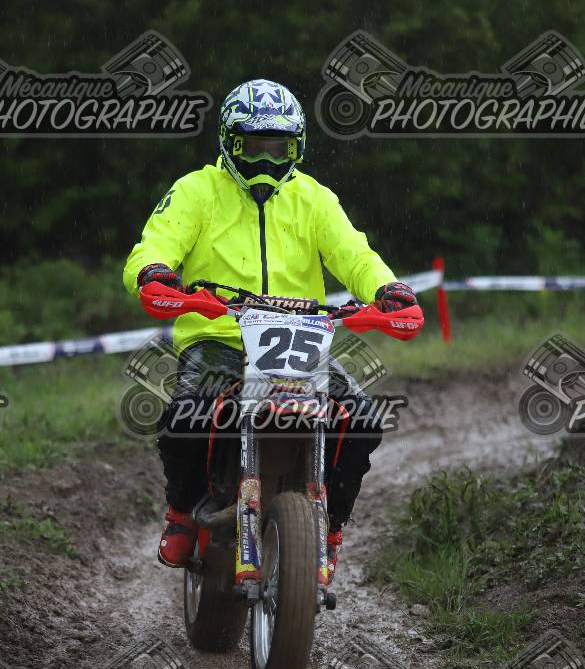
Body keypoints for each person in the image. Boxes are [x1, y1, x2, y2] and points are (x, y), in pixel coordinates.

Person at [123, 79, 416, 579]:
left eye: (278, 148)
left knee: (361, 419)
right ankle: (182, 512)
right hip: (219, 336)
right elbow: (154, 245)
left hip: (299, 338)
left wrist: (388, 289)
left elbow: (355, 254)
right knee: (186, 414)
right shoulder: (196, 191)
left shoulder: (314, 198)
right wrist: (154, 272)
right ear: (229, 143)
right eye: (253, 147)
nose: (265, 159)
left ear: (296, 148)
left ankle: (330, 527)